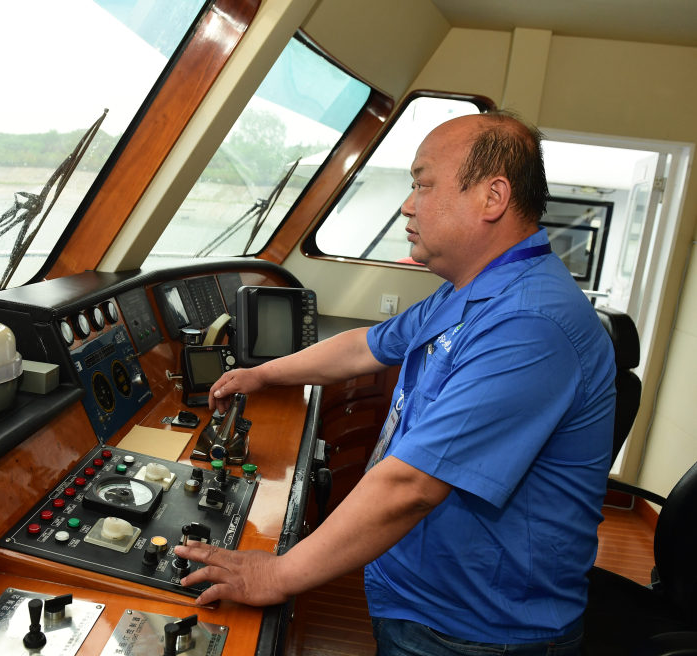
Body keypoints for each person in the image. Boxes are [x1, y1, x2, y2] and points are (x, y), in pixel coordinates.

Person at [174, 110, 617, 655]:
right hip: (418, 595)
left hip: (474, 632)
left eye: (423, 184)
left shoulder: (529, 324)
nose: (408, 204)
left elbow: (412, 486)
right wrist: (262, 374)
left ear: (493, 197)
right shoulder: (470, 290)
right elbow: (365, 345)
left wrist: (278, 574)